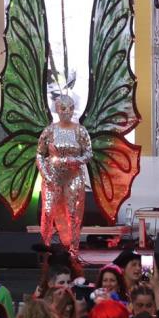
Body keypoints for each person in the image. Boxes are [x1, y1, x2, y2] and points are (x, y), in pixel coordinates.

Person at [37, 94, 93, 257]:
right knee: (47, 212)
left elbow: (89, 153)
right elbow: (40, 154)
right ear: (57, 109)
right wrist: (46, 175)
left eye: (70, 108)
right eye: (63, 108)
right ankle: (45, 248)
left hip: (73, 176)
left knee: (74, 213)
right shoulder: (49, 131)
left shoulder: (80, 131)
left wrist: (74, 160)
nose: (67, 112)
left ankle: (73, 250)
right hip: (52, 176)